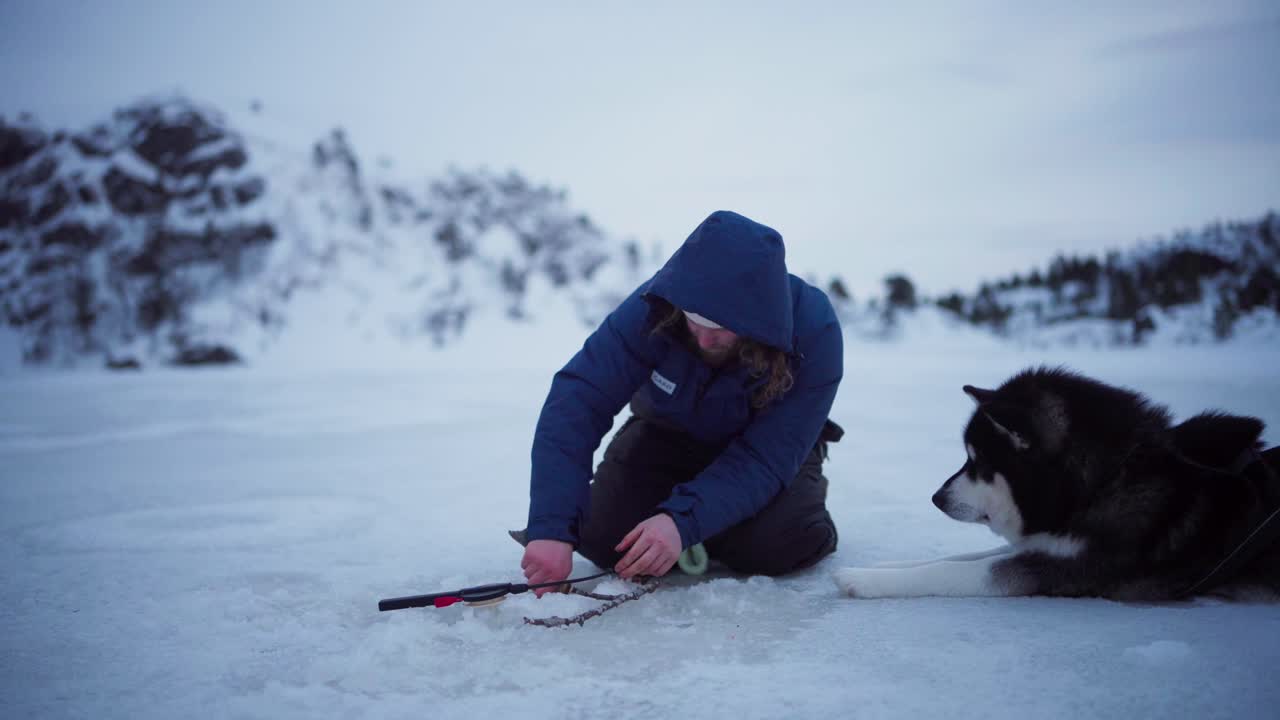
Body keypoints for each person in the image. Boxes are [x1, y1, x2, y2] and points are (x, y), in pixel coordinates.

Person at [519, 210, 844, 595]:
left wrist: (681, 523)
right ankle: (707, 522)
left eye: (721, 328)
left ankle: (763, 512)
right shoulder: (656, 303)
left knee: (779, 544)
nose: (704, 339)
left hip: (765, 451)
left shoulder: (814, 331)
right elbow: (579, 399)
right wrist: (551, 527)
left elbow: (766, 457)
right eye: (694, 320)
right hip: (668, 433)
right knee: (603, 538)